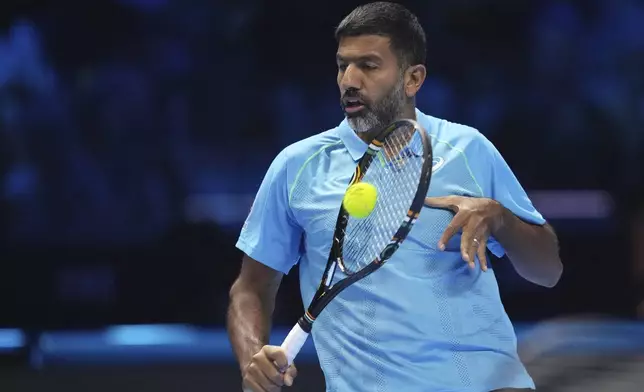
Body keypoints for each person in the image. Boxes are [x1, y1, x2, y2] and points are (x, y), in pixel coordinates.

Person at [227, 2, 563, 391]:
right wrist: (253, 357)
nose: (349, 80)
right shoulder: (297, 166)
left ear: (413, 78)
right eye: (342, 65)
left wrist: (501, 219)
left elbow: (548, 271)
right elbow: (250, 288)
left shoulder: (468, 150)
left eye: (368, 65)